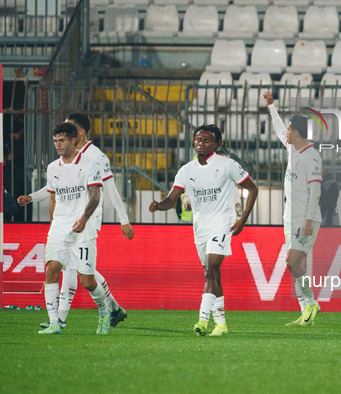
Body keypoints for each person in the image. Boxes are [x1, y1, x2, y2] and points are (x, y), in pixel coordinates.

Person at [18, 113, 132, 330]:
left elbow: (110, 190)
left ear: (78, 133)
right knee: (64, 268)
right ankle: (64, 318)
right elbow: (54, 188)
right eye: (57, 138)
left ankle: (104, 310)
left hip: (87, 219)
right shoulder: (56, 164)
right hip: (64, 222)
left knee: (82, 274)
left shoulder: (96, 158)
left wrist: (123, 219)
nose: (60, 139)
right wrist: (32, 197)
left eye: (68, 130)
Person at [149, 124, 258, 337]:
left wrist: (242, 220)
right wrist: (158, 205)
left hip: (223, 224)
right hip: (200, 229)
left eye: (207, 140)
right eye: (198, 139)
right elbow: (172, 199)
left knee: (211, 269)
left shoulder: (228, 165)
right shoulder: (186, 170)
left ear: (217, 144)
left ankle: (202, 320)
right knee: (213, 275)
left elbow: (252, 189)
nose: (201, 143)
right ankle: (221, 324)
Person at [38, 122, 111, 334]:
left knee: (87, 281)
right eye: (55, 141)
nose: (58, 145)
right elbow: (53, 197)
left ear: (74, 140)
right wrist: (53, 223)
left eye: (61, 141)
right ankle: (54, 323)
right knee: (52, 268)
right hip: (60, 228)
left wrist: (84, 218)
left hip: (83, 229)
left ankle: (105, 312)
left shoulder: (90, 164)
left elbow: (95, 197)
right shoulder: (52, 168)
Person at [264, 91, 323, 327]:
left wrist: (309, 220)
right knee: (298, 265)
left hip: (305, 219)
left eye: (289, 129)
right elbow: (278, 129)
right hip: (290, 218)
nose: (286, 132)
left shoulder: (312, 157)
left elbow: (315, 192)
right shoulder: (293, 149)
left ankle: (311, 303)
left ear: (296, 132)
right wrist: (271, 106)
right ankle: (306, 314)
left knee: (291, 262)